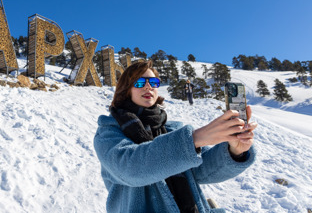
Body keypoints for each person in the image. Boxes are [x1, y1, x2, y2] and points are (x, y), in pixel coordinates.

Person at [94, 60, 257, 213]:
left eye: (153, 82)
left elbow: (202, 170)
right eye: (140, 82)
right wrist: (194, 139)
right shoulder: (109, 132)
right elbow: (130, 168)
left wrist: (234, 151)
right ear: (126, 89)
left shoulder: (173, 129)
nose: (148, 87)